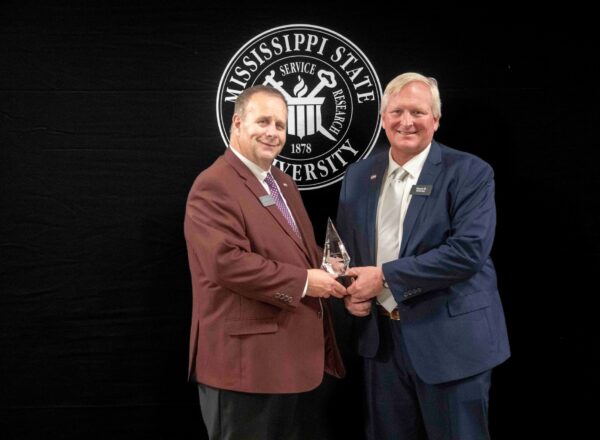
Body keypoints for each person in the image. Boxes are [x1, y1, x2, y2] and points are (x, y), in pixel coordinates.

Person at [336, 72, 510, 439]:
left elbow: (467, 252)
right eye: (396, 111)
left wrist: (383, 278)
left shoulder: (470, 172)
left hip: (451, 344)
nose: (406, 121)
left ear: (436, 119)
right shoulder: (358, 174)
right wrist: (349, 291)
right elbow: (347, 250)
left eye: (417, 111)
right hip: (381, 344)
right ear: (383, 119)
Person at [184, 85, 347, 440]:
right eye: (263, 121)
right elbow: (226, 263)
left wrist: (341, 272)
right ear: (238, 123)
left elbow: (301, 252)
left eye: (280, 125)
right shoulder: (214, 184)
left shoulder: (282, 183)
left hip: (285, 359)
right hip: (244, 365)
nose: (273, 132)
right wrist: (305, 282)